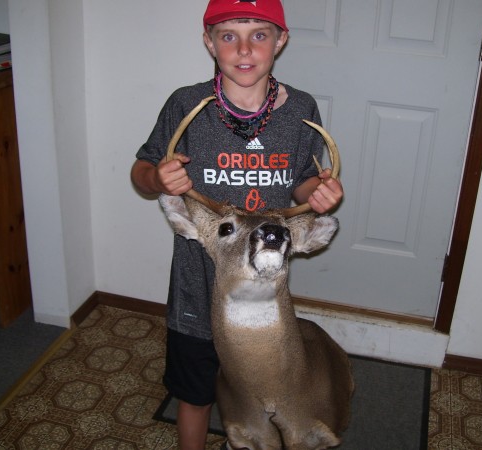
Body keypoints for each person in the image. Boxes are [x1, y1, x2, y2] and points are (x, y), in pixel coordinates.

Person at [131, 1, 344, 448]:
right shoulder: (186, 104)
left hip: (263, 293)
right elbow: (143, 171)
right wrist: (158, 177)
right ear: (209, 42)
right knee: (194, 393)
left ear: (281, 41)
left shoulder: (301, 109)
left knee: (265, 389)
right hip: (198, 283)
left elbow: (304, 180)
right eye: (229, 35)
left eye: (259, 35)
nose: (244, 49)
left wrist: (317, 195)